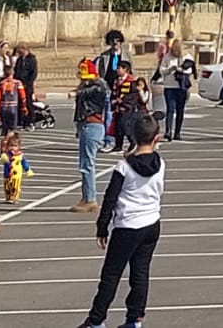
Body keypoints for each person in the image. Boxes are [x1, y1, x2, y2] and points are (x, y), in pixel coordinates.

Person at [81, 113, 165, 328]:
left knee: (111, 274)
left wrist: (102, 227)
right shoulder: (160, 163)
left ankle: (96, 320)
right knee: (140, 272)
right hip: (151, 223)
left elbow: (110, 198)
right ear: (157, 138)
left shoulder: (124, 167)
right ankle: (135, 318)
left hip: (128, 226)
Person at [71, 61, 111, 215]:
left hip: (92, 126)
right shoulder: (90, 89)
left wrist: (78, 92)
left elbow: (95, 90)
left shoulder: (98, 88)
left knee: (87, 164)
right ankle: (86, 196)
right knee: (84, 163)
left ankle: (90, 199)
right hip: (86, 126)